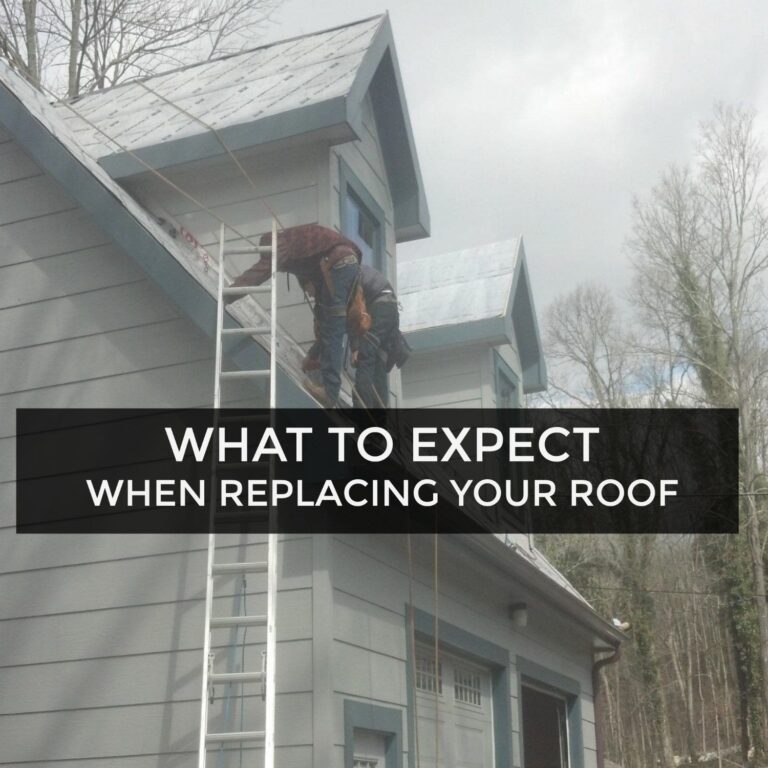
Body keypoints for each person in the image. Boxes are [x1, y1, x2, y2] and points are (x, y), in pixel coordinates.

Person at [350, 264, 400, 408]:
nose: (311, 295)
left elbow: (353, 314)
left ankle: (362, 407)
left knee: (365, 355)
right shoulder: (359, 271)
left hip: (380, 308)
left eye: (309, 291)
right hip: (391, 311)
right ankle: (379, 413)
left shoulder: (345, 275)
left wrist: (355, 348)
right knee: (379, 361)